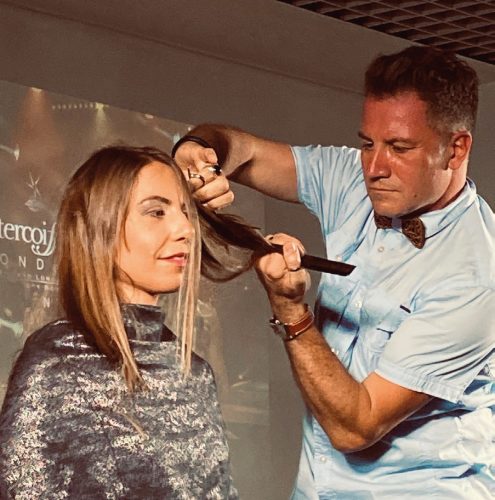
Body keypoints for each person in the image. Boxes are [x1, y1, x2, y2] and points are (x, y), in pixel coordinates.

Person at [173, 46, 495, 498]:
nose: (375, 168)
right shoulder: (352, 178)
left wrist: (291, 310)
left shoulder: (477, 274)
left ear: (455, 149)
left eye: (399, 147)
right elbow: (243, 152)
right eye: (368, 143)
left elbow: (356, 426)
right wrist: (198, 151)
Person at [0, 145, 274, 499]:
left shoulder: (196, 374)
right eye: (156, 212)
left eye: (185, 212)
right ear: (101, 228)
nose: (186, 229)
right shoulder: (59, 363)